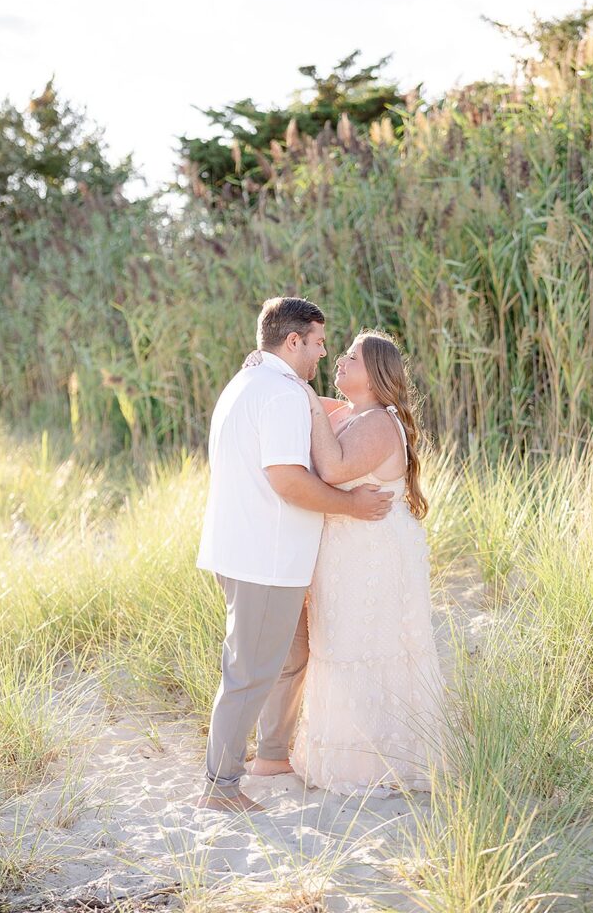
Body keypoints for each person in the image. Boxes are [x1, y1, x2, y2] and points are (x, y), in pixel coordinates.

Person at [195, 298, 394, 812]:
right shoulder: (281, 394)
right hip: (265, 555)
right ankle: (220, 788)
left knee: (283, 659)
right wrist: (350, 504)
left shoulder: (249, 383)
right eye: (319, 343)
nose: (324, 355)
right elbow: (287, 479)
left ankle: (273, 755)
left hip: (241, 548)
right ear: (293, 341)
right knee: (249, 671)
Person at [290, 330, 449, 796]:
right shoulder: (354, 414)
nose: (339, 360)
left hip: (372, 553)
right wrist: (286, 379)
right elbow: (310, 402)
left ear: (376, 374)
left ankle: (373, 762)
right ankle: (351, 753)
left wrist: (308, 398)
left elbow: (336, 469)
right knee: (343, 646)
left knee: (366, 645)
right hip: (350, 550)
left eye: (351, 357)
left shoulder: (378, 422)